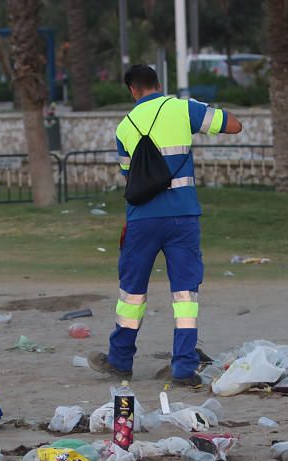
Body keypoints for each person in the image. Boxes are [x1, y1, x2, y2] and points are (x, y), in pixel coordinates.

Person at [87, 64, 242, 387]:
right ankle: (184, 366)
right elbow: (234, 126)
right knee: (185, 295)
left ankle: (120, 361)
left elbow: (131, 179)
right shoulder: (183, 109)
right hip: (183, 217)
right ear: (159, 84)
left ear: (132, 90)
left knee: (131, 293)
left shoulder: (124, 127)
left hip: (142, 220)